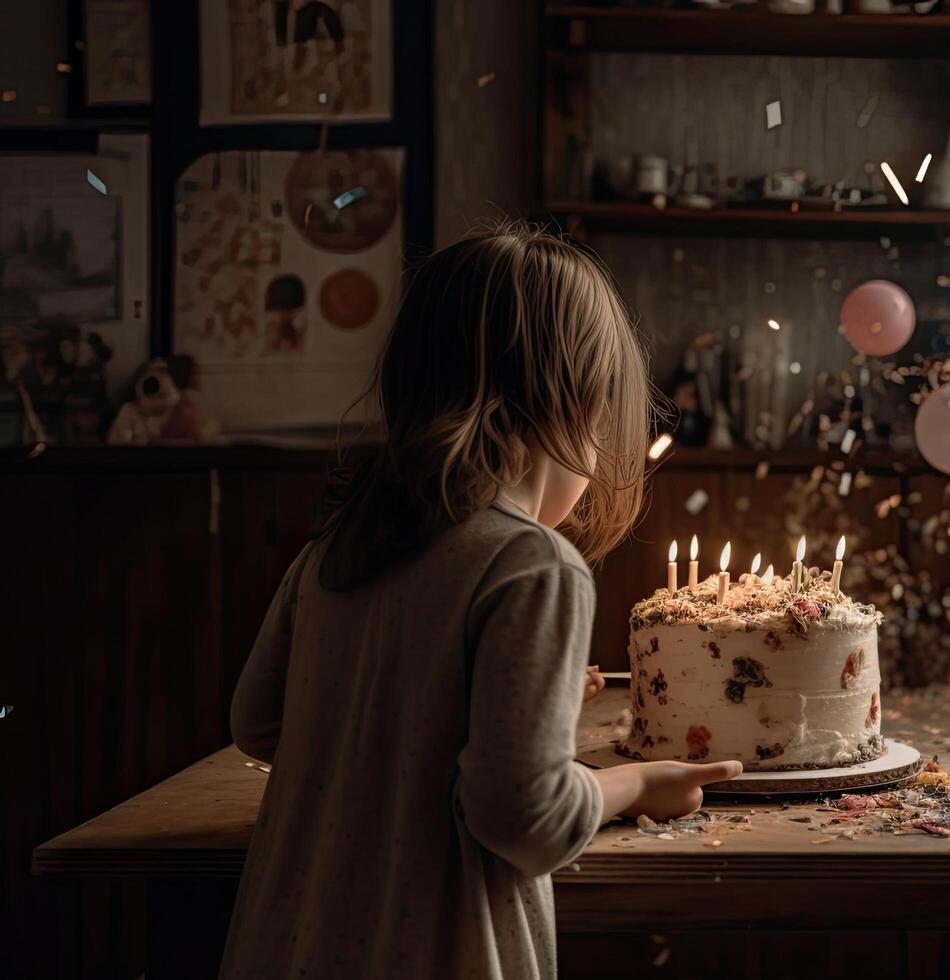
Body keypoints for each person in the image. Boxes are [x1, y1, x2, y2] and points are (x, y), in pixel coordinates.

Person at [221, 223, 740, 979]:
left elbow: (261, 723)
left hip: (287, 940)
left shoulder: (337, 547)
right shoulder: (535, 565)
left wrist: (497, 707)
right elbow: (523, 820)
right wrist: (631, 785)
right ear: (580, 405)